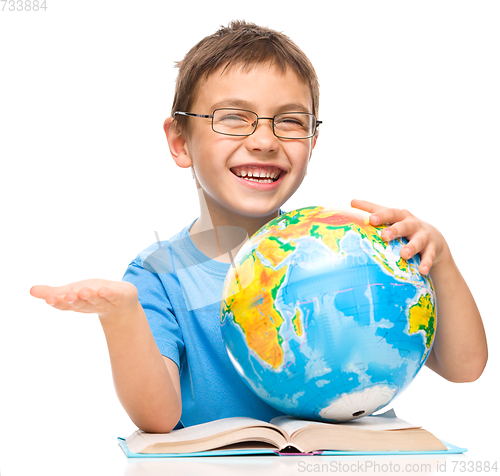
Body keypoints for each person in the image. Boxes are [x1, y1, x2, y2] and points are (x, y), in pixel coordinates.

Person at [30, 20, 487, 434]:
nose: (265, 141)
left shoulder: (354, 249)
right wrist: (121, 317)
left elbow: (466, 367)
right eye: (233, 118)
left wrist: (439, 260)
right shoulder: (157, 277)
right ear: (179, 141)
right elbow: (157, 416)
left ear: (313, 139)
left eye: (289, 122)